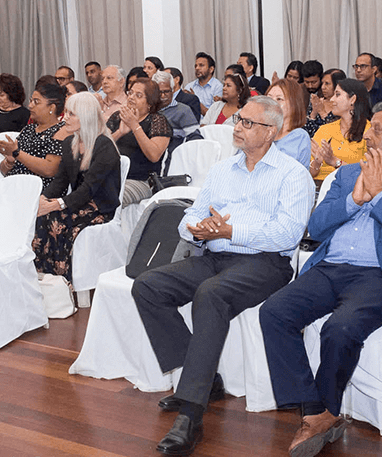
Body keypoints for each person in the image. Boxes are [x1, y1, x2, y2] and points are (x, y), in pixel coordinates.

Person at [261, 102, 382, 457]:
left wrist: (379, 194)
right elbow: (315, 227)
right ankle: (316, 411)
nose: (366, 134)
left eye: (377, 129)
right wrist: (353, 199)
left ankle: (323, 413)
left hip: (381, 275)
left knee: (341, 327)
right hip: (330, 268)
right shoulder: (349, 174)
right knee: (274, 311)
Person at [131, 96, 314, 457]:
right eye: (239, 120)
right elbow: (188, 218)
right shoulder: (222, 170)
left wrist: (230, 231)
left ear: (271, 133)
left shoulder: (293, 175)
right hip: (213, 254)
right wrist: (199, 229)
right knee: (148, 286)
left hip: (265, 264)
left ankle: (191, 414)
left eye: (247, 123)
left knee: (211, 294)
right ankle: (203, 380)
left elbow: (287, 236)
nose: (238, 127)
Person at [33, 93, 121, 282]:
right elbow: (60, 182)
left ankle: (64, 280)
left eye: (72, 114)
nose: (65, 118)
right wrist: (42, 198)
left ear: (86, 116)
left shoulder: (104, 146)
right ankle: (44, 277)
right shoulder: (69, 143)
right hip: (77, 203)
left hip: (99, 207)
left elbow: (89, 189)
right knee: (40, 216)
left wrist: (56, 205)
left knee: (58, 222)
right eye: (67, 113)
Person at [109, 78, 171, 205]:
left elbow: (154, 155)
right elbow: (99, 147)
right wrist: (120, 132)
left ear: (149, 102)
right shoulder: (117, 116)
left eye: (138, 95)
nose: (131, 97)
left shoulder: (157, 120)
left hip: (142, 181)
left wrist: (135, 126)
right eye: (130, 92)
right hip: (113, 177)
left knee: (109, 197)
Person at [0, 83, 66, 186]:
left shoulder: (61, 130)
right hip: (14, 187)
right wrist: (9, 161)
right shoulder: (29, 129)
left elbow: (49, 170)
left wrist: (17, 153)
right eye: (31, 100)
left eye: (36, 102)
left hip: (39, 193)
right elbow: (4, 171)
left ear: (52, 107)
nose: (30, 105)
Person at [309, 79, 371, 181]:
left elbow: (368, 172)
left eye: (337, 95)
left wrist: (335, 161)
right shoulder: (325, 130)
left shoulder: (369, 132)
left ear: (352, 99)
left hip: (351, 189)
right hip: (320, 187)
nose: (332, 99)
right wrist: (317, 162)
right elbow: (311, 173)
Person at [266, 79, 310, 169]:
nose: (272, 103)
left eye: (279, 99)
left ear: (294, 104)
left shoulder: (299, 136)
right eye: (269, 98)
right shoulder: (258, 130)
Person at [153, 71, 199, 140]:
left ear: (172, 90)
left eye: (166, 92)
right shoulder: (149, 110)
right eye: (159, 92)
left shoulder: (183, 110)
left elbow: (195, 138)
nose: (163, 96)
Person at [306, 69, 346, 138]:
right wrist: (314, 112)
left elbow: (335, 132)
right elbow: (306, 131)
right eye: (322, 83)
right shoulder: (318, 102)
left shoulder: (343, 106)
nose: (323, 87)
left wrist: (322, 112)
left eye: (327, 84)